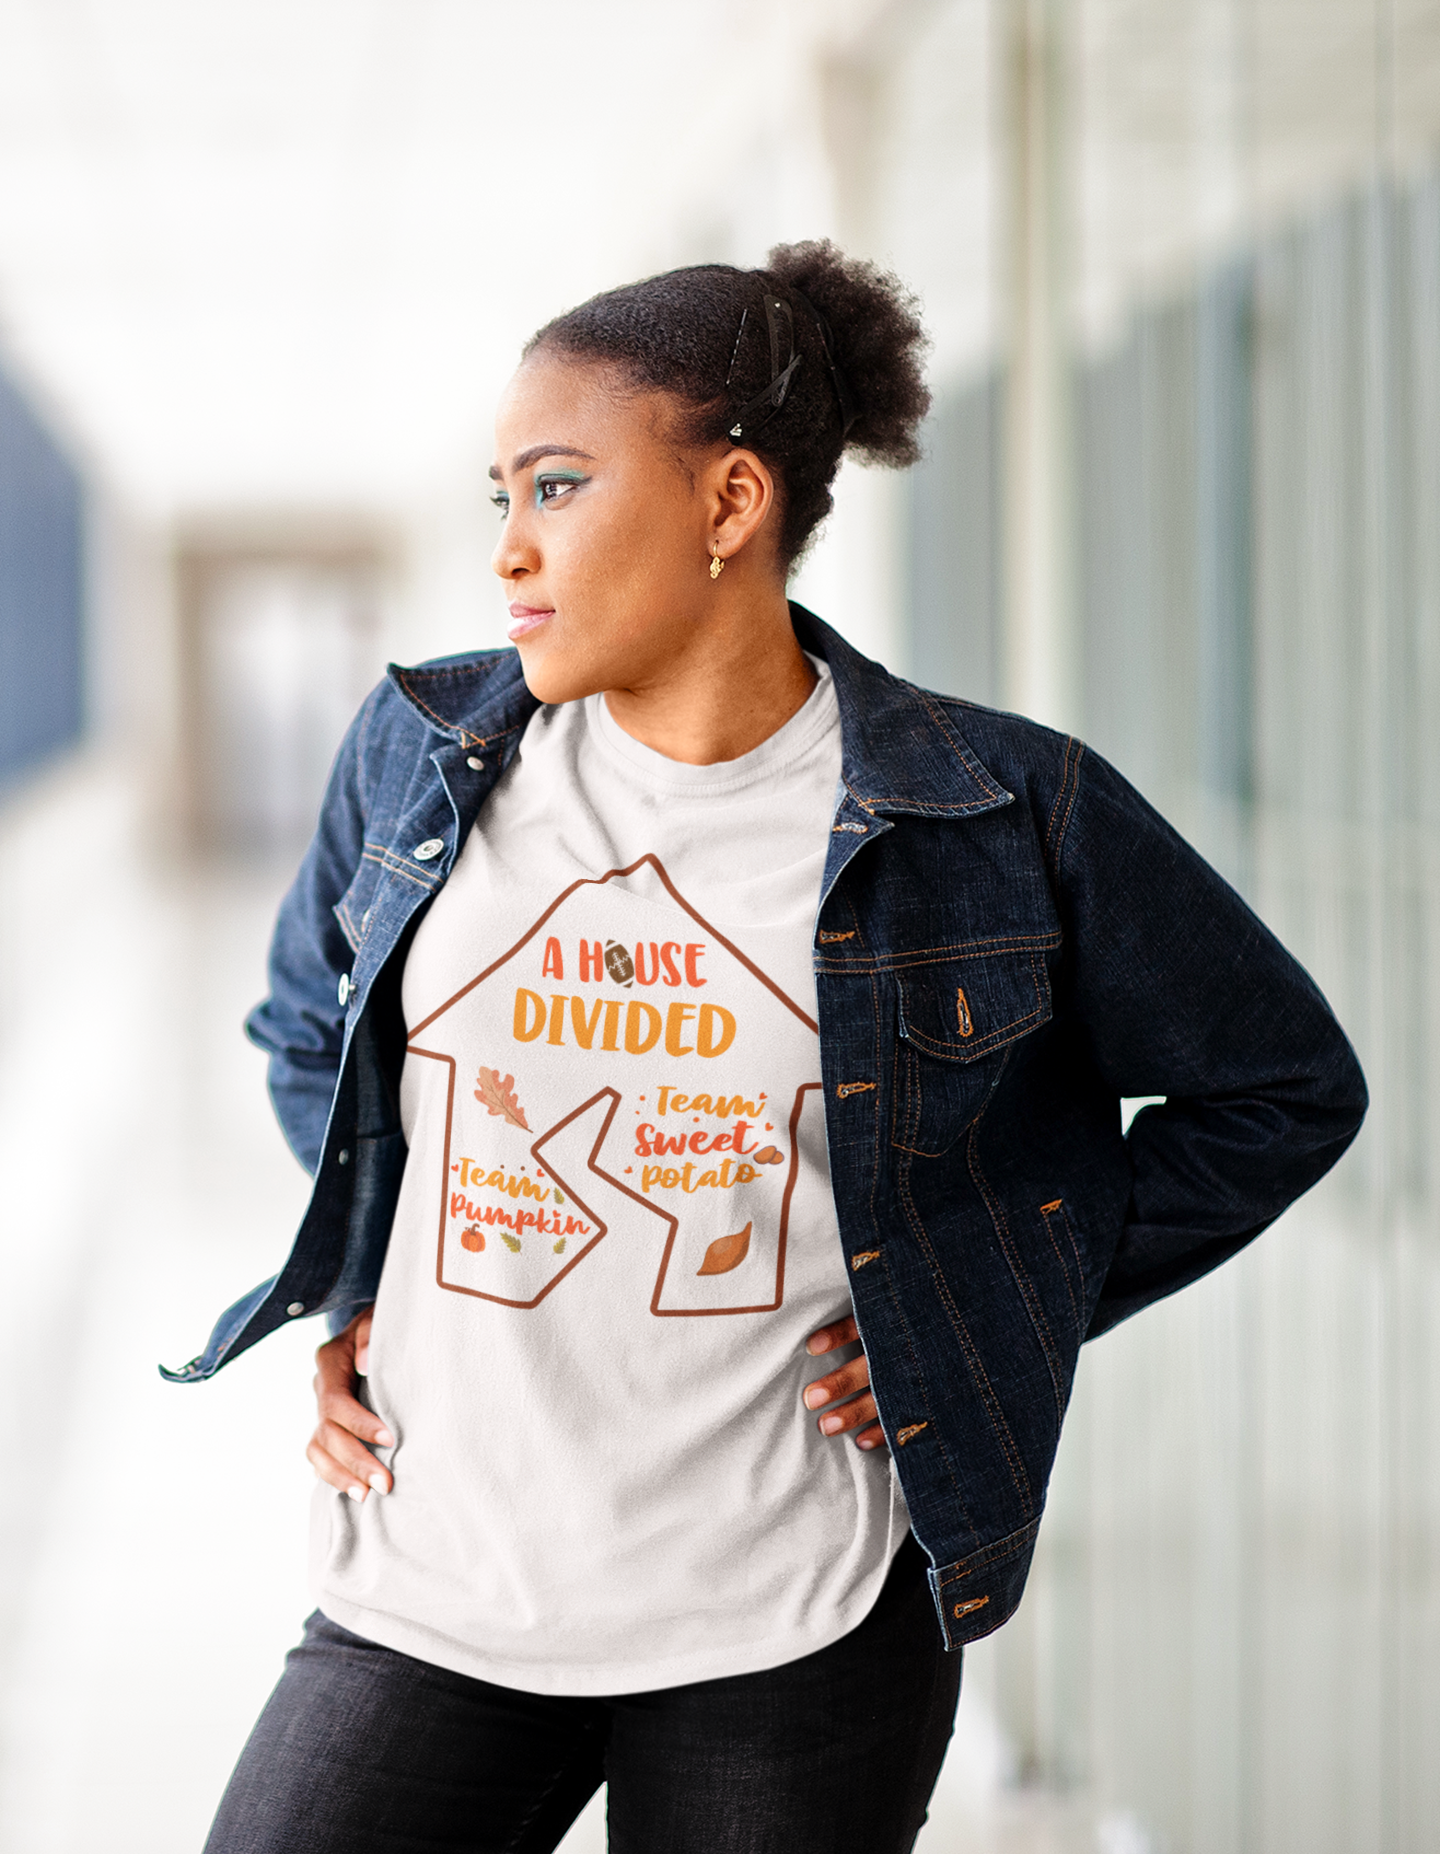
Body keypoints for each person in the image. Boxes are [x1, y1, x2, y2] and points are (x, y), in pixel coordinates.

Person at [175, 241, 1367, 1854]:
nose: (511, 551)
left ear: (731, 504)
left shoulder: (1002, 811)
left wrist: (993, 1304)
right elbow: (306, 1020)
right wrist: (369, 1274)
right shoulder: (423, 744)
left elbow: (1281, 1087)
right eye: (500, 497)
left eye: (560, 486)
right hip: (432, 1581)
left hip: (791, 1628)